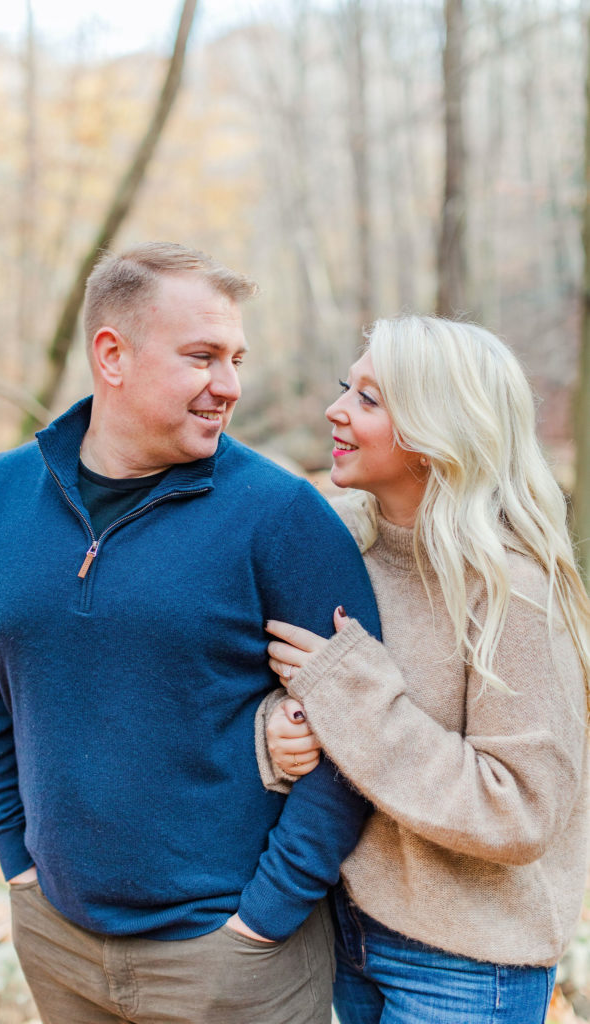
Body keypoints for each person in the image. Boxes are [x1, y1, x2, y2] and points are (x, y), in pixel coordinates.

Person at [0, 242, 381, 1024]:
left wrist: (263, 917)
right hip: (58, 942)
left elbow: (362, 729)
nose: (230, 386)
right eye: (201, 357)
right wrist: (16, 858)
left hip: (232, 961)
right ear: (111, 356)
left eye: (235, 358)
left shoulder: (281, 517)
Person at [259, 315, 590, 1024]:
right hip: (344, 932)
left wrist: (353, 697)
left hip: (467, 967)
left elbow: (519, 812)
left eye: (370, 399)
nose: (334, 408)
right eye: (347, 386)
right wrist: (277, 731)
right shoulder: (339, 540)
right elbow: (293, 686)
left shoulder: (510, 592)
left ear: (438, 428)